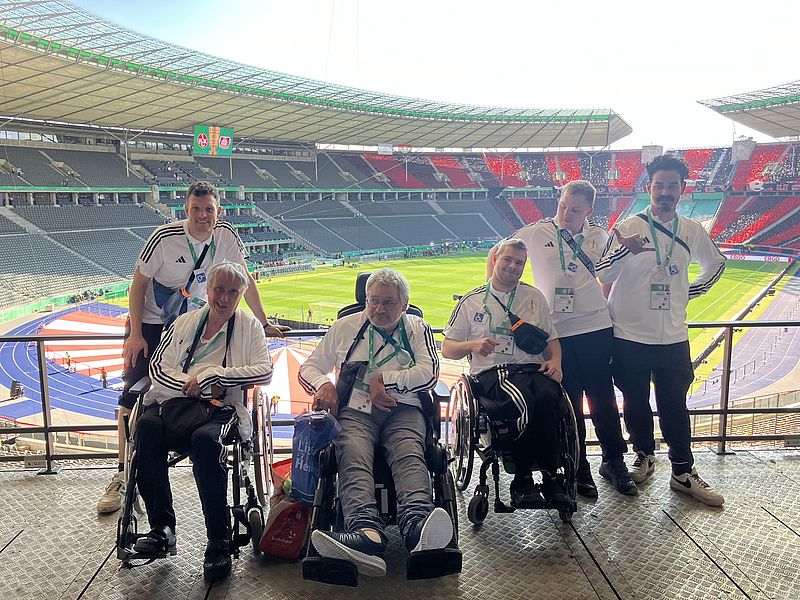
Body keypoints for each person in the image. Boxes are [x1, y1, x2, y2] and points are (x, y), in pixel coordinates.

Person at [97, 181, 287, 515]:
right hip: (152, 320)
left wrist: (263, 321)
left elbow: (245, 279)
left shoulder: (225, 235)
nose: (202, 215)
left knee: (196, 374)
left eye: (208, 209)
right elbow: (138, 285)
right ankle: (122, 474)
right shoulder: (164, 237)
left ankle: (194, 419)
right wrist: (136, 333)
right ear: (186, 210)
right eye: (196, 209)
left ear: (218, 211)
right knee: (132, 394)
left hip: (191, 319)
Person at [298, 268, 452, 578]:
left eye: (388, 302)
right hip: (356, 410)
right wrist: (323, 385)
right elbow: (309, 368)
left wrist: (386, 380)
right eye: (373, 301)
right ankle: (365, 532)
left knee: (409, 452)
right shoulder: (344, 327)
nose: (379, 309)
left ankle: (417, 526)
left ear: (404, 304)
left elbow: (429, 373)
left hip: (403, 408)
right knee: (352, 452)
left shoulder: (417, 328)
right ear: (365, 300)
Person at [487, 181, 637, 498]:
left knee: (603, 399)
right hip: (557, 333)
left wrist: (599, 298)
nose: (567, 214)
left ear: (589, 210)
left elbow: (607, 276)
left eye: (575, 210)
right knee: (568, 403)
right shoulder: (535, 232)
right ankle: (579, 467)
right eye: (563, 206)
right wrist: (496, 297)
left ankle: (613, 461)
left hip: (596, 327)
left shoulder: (599, 236)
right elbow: (496, 253)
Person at [596, 154, 726, 506]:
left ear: (682, 188)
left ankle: (683, 471)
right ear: (648, 187)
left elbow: (716, 264)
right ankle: (644, 454)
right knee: (634, 402)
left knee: (674, 405)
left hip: (673, 337)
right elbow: (603, 273)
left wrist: (689, 291)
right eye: (659, 185)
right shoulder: (628, 226)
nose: (665, 192)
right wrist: (625, 251)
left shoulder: (692, 230)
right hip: (628, 335)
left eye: (672, 186)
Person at [133, 262, 273, 580]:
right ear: (207, 290)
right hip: (174, 405)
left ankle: (218, 541)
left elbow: (264, 371)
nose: (223, 298)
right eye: (218, 290)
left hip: (221, 410)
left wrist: (214, 374)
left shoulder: (249, 326)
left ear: (241, 294)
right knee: (146, 428)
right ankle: (162, 529)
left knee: (206, 441)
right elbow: (158, 369)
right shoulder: (184, 322)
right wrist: (196, 384)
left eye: (232, 292)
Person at [442, 239, 572, 508]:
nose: (513, 266)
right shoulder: (471, 301)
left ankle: (551, 477)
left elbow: (552, 340)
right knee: (524, 401)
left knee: (549, 397)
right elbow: (448, 348)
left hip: (533, 369)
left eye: (519, 263)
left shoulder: (534, 297)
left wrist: (556, 362)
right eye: (508, 260)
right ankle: (522, 478)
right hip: (494, 373)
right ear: (495, 260)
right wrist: (473, 345)